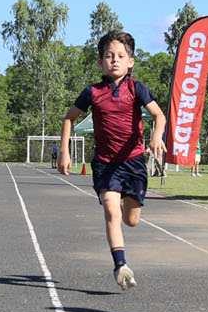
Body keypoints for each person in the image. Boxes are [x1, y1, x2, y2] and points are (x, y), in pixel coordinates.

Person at [57, 30, 167, 291]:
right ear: (100, 62)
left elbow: (159, 116)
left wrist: (156, 137)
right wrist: (65, 150)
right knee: (110, 208)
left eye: (120, 56)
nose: (114, 60)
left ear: (131, 61)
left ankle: (126, 222)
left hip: (134, 162)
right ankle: (120, 265)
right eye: (108, 56)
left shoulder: (137, 88)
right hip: (106, 164)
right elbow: (68, 118)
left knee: (131, 220)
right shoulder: (92, 92)